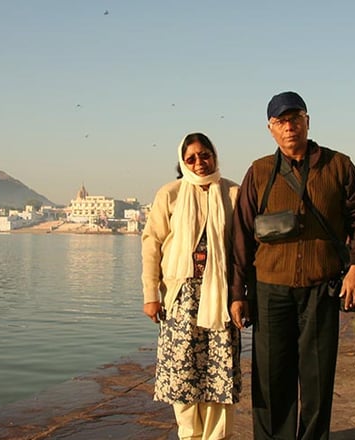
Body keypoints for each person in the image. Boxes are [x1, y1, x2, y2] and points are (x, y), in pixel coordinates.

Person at [229, 91, 355, 439]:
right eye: (280, 121)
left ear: (307, 122)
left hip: (320, 287)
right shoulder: (260, 171)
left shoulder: (338, 166)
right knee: (270, 378)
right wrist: (237, 293)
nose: (289, 127)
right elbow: (241, 236)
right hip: (270, 290)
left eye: (295, 119)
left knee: (317, 377)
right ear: (270, 129)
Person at [141, 132, 241, 440]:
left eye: (205, 155)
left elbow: (242, 248)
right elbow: (152, 243)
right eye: (191, 158)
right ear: (183, 162)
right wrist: (151, 294)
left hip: (220, 296)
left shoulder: (233, 193)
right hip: (181, 298)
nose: (200, 162)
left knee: (218, 374)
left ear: (214, 156)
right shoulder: (170, 194)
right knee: (183, 375)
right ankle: (190, 436)